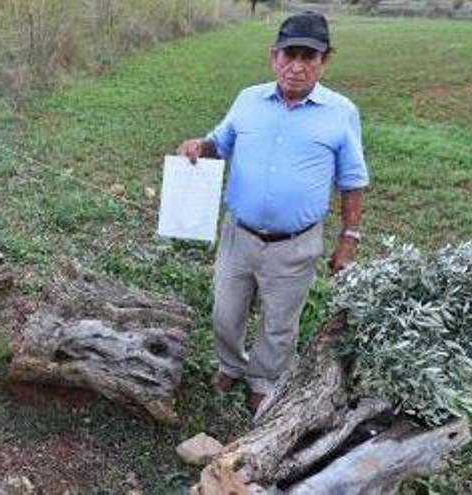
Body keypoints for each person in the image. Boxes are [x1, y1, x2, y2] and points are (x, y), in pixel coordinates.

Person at [177, 11, 369, 414]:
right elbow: (219, 143)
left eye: (308, 57)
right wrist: (199, 146)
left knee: (280, 324)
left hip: (294, 244)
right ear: (273, 56)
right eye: (288, 55)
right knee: (225, 313)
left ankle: (263, 380)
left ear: (325, 61)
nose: (296, 67)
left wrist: (349, 240)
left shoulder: (341, 112)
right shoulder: (249, 99)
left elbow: (353, 180)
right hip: (239, 234)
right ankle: (231, 364)